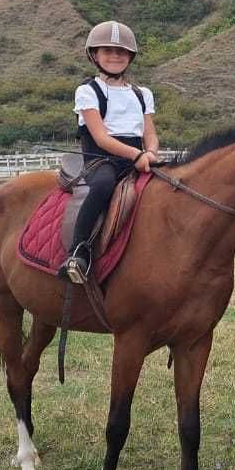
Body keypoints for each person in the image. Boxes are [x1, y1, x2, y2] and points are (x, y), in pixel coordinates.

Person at [63, 20, 162, 283]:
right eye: (107, 51)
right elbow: (101, 137)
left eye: (121, 52)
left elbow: (149, 133)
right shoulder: (87, 91)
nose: (115, 56)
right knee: (104, 185)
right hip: (101, 160)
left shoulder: (142, 94)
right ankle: (79, 250)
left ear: (130, 57)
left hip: (137, 159)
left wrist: (151, 151)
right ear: (94, 55)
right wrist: (137, 155)